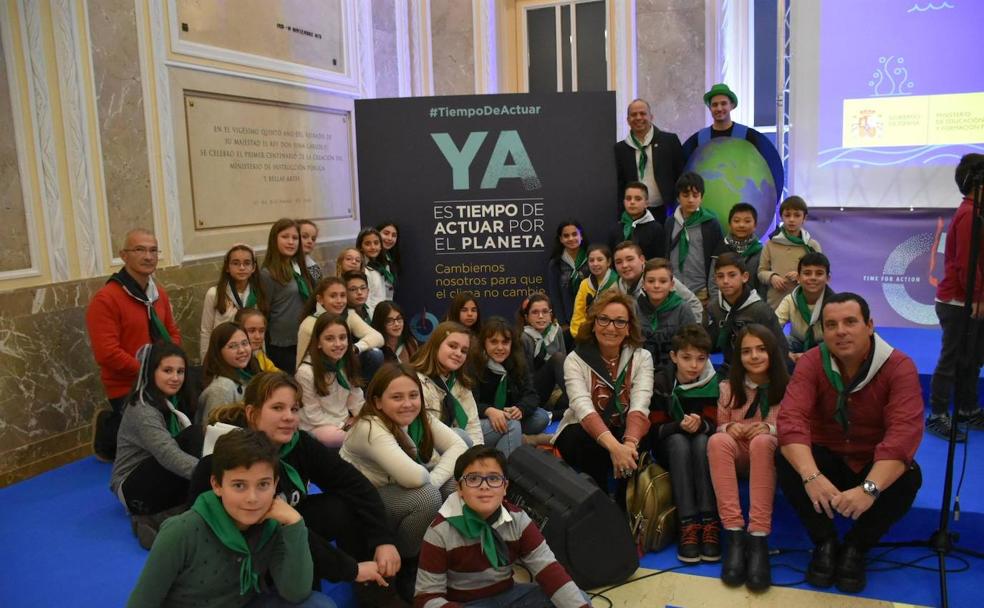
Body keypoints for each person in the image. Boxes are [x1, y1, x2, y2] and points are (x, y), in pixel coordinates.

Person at [193, 372, 399, 592]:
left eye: (294, 409)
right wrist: (350, 569)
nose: (289, 417)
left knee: (343, 505)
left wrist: (383, 540)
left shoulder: (299, 444)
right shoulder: (226, 458)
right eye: (278, 408)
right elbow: (272, 530)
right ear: (252, 414)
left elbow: (354, 483)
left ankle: (372, 588)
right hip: (242, 551)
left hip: (289, 526)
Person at [776, 293, 924, 594]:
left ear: (869, 325)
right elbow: (791, 421)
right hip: (828, 459)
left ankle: (856, 547)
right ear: (823, 331)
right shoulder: (811, 362)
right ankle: (825, 542)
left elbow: (903, 435)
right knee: (784, 457)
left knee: (909, 476)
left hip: (870, 462)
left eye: (850, 322)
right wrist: (811, 475)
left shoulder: (899, 366)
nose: (840, 331)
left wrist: (870, 488)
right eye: (831, 324)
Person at [129, 428, 335, 607]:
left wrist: (295, 524)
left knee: (319, 605)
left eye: (263, 484)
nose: (252, 499)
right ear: (217, 485)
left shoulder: (274, 525)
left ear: (275, 483)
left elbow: (295, 592)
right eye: (239, 485)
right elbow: (142, 602)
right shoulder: (181, 531)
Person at [340, 363, 468, 602]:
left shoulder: (420, 417)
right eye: (396, 397)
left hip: (396, 489)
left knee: (454, 481)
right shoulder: (369, 427)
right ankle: (410, 563)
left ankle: (440, 551)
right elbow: (415, 479)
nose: (407, 403)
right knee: (427, 497)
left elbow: (460, 447)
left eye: (413, 395)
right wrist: (434, 483)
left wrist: (436, 480)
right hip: (364, 505)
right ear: (377, 402)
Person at [415, 445, 590, 608]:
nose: (484, 486)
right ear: (459, 488)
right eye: (473, 479)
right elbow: (427, 597)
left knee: (577, 597)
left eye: (493, 478)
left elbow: (549, 570)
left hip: (509, 596)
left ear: (505, 487)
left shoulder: (518, 519)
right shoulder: (440, 530)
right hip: (465, 604)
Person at [87, 228, 182, 461]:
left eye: (153, 250)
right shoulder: (106, 299)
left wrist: (171, 367)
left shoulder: (158, 294)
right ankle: (109, 429)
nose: (148, 256)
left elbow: (172, 334)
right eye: (139, 250)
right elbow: (108, 354)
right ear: (124, 255)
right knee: (154, 451)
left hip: (160, 381)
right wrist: (150, 372)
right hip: (127, 385)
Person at [707, 325, 789, 590]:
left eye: (761, 349)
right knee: (718, 439)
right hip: (737, 455)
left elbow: (796, 427)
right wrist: (729, 427)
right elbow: (718, 422)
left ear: (773, 353)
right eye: (746, 351)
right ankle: (734, 536)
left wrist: (770, 428)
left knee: (764, 440)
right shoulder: (728, 388)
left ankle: (758, 538)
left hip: (769, 457)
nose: (754, 356)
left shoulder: (788, 388)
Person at [554, 291, 653, 507]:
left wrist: (627, 445)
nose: (610, 327)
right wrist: (615, 448)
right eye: (604, 319)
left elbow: (640, 404)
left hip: (624, 430)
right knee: (581, 439)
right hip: (585, 431)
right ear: (593, 323)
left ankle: (624, 502)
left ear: (629, 328)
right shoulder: (575, 360)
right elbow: (583, 408)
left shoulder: (642, 357)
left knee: (643, 434)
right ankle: (599, 501)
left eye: (619, 322)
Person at [110, 343, 203, 549]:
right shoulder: (143, 410)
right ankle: (152, 521)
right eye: (167, 370)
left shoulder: (171, 400)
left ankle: (163, 518)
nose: (176, 377)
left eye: (180, 371)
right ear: (151, 372)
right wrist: (210, 474)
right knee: (195, 444)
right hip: (133, 487)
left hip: (154, 474)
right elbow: (168, 455)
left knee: (196, 437)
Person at [649, 324, 721, 563]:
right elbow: (654, 429)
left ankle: (709, 522)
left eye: (701, 359)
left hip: (701, 444)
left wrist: (702, 425)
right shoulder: (661, 382)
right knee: (680, 442)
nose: (694, 366)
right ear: (673, 357)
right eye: (686, 358)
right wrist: (677, 425)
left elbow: (716, 422)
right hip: (670, 446)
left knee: (701, 442)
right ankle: (687, 523)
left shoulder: (714, 382)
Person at [927, 153, 984, 441]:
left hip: (972, 299)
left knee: (972, 358)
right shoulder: (968, 214)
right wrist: (977, 296)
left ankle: (966, 408)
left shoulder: (978, 212)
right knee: (951, 358)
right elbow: (966, 263)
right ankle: (937, 414)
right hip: (958, 301)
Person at [681, 83, 784, 201]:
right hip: (706, 209)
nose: (719, 108)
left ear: (732, 105)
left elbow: (773, 167)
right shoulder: (698, 140)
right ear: (710, 108)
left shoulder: (749, 136)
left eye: (723, 103)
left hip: (743, 209)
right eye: (714, 105)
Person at [471, 316, 552, 456]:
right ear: (484, 343)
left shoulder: (517, 362)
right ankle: (518, 442)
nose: (500, 348)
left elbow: (531, 394)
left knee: (541, 417)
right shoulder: (475, 365)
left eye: (505, 342)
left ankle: (513, 439)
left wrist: (520, 408)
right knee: (512, 426)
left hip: (508, 416)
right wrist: (488, 410)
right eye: (494, 342)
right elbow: (469, 404)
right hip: (484, 420)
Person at [706, 253, 788, 372]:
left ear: (744, 277)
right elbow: (709, 343)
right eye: (720, 276)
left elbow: (781, 349)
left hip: (760, 370)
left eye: (732, 275)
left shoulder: (760, 310)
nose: (725, 281)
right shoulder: (714, 307)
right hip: (729, 368)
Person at [411, 321, 484, 447]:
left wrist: (477, 455)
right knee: (460, 436)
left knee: (511, 425)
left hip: (456, 441)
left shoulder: (461, 382)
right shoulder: (414, 381)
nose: (458, 354)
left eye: (464, 351)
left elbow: (473, 425)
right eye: (452, 346)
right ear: (436, 345)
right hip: (426, 448)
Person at [296, 314, 364, 448]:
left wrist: (362, 417)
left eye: (342, 338)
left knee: (374, 424)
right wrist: (343, 425)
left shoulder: (346, 363)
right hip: (317, 427)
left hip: (344, 422)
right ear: (319, 343)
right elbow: (313, 415)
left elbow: (356, 399)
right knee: (335, 436)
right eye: (329, 339)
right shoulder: (306, 372)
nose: (338, 344)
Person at [296, 277, 385, 379]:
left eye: (343, 296)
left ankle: (362, 390)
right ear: (320, 299)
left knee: (375, 355)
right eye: (333, 296)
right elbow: (300, 361)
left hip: (346, 369)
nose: (339, 301)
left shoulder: (348, 315)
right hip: (320, 374)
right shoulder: (309, 324)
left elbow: (378, 337)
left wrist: (355, 348)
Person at [614, 98, 684, 219]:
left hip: (667, 211)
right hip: (636, 213)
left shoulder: (669, 141)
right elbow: (621, 184)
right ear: (627, 120)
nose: (638, 118)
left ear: (651, 117)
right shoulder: (621, 149)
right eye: (633, 115)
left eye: (642, 113)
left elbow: (681, 175)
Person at [259, 218, 314, 373]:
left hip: (304, 337)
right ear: (274, 240)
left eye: (295, 238)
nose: (291, 242)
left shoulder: (301, 268)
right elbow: (264, 310)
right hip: (281, 343)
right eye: (285, 237)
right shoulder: (268, 274)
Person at [199, 244, 266, 360]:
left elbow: (260, 332)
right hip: (223, 356)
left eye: (247, 263)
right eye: (235, 263)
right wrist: (206, 361)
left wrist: (263, 359)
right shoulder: (214, 294)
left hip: (251, 356)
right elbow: (206, 332)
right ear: (227, 267)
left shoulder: (258, 294)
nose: (241, 267)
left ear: (253, 267)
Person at [665, 172, 724, 305]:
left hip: (701, 291)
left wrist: (713, 294)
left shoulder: (710, 224)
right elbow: (666, 255)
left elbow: (717, 261)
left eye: (695, 195)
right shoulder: (670, 222)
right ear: (678, 198)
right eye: (685, 195)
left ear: (701, 198)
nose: (691, 200)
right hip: (673, 289)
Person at [758, 196, 823, 308]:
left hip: (805, 303)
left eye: (797, 215)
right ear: (781, 217)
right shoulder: (771, 244)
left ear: (804, 218)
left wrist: (801, 276)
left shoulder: (812, 246)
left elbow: (820, 274)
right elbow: (761, 271)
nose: (792, 219)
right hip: (775, 303)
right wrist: (772, 277)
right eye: (787, 215)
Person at [612, 240, 703, 319]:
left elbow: (694, 304)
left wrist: (690, 333)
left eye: (630, 259)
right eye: (618, 262)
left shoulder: (661, 280)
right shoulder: (615, 289)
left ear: (642, 259)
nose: (624, 265)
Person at [638, 257, 698, 368]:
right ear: (643, 285)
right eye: (651, 281)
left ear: (671, 285)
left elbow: (692, 346)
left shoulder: (683, 309)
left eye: (663, 281)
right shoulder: (634, 308)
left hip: (674, 370)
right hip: (641, 369)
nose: (656, 286)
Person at [775, 252, 834, 364]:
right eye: (807, 273)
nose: (813, 278)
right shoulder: (790, 300)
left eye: (819, 273)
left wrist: (809, 356)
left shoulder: (834, 303)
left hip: (824, 346)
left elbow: (836, 339)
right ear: (798, 277)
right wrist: (785, 353)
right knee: (780, 344)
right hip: (796, 343)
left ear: (828, 278)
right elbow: (773, 327)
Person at [198, 322, 260, 423]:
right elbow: (212, 430)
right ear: (218, 352)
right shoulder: (221, 388)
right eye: (233, 346)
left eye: (245, 343)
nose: (242, 350)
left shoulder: (248, 375)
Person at [518, 294, 568, 413]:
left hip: (557, 390)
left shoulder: (557, 331)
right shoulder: (524, 338)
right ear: (527, 317)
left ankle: (556, 410)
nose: (541, 316)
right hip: (535, 391)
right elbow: (526, 379)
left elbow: (566, 367)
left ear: (551, 315)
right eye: (535, 312)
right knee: (557, 358)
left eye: (545, 311)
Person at [710, 202, 765, 303]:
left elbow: (763, 286)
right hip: (724, 307)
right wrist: (718, 307)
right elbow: (713, 283)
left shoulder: (761, 251)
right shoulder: (721, 248)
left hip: (753, 307)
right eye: (736, 221)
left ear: (755, 225)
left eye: (747, 221)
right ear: (730, 224)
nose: (741, 225)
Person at [545, 220, 590, 337]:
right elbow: (555, 295)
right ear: (560, 239)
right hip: (568, 322)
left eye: (575, 234)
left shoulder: (592, 259)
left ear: (581, 236)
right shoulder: (555, 263)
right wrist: (562, 322)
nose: (571, 238)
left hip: (591, 320)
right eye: (566, 236)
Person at [569, 243, 618, 337]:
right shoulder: (584, 284)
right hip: (588, 334)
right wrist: (579, 334)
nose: (595, 264)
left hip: (611, 333)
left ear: (608, 262)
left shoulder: (617, 283)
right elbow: (578, 313)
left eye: (600, 260)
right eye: (591, 260)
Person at [608, 182, 666, 260]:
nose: (632, 202)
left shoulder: (656, 229)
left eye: (638, 199)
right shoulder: (616, 229)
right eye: (628, 198)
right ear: (624, 202)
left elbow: (660, 259)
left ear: (646, 203)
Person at [357, 227, 393, 313]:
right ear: (360, 247)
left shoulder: (383, 266)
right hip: (372, 317)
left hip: (384, 313)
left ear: (381, 246)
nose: (373, 247)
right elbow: (366, 301)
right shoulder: (362, 269)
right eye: (367, 244)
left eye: (376, 243)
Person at [235, 307, 280, 372]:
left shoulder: (259, 356)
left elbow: (278, 374)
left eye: (261, 331)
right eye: (251, 331)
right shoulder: (234, 361)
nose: (258, 336)